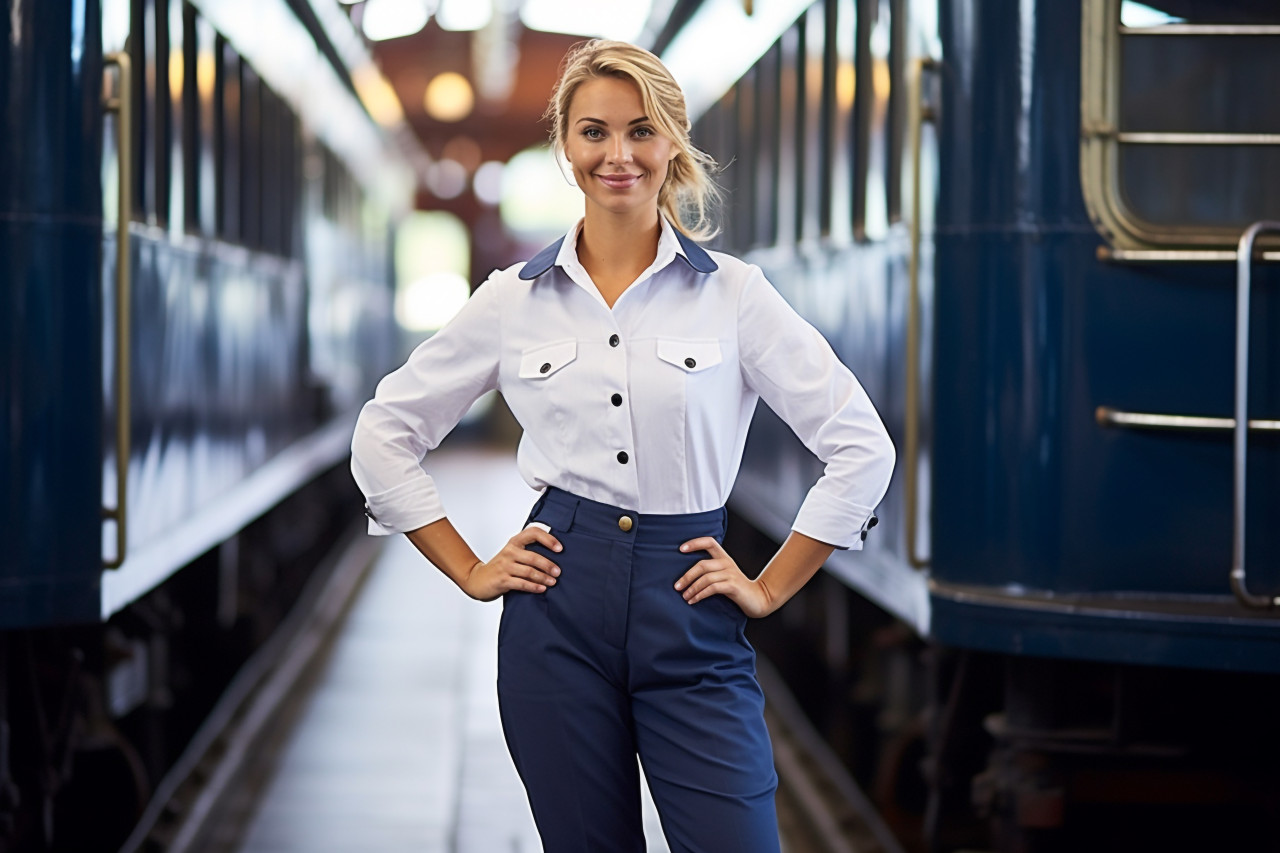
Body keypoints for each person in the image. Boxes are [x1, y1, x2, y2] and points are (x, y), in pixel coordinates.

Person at [350, 39, 895, 853]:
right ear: (565, 146)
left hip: (692, 611)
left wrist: (770, 586)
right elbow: (384, 433)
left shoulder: (734, 295)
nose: (618, 154)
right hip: (555, 616)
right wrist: (468, 568)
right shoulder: (512, 300)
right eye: (594, 132)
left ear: (672, 142)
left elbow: (861, 444)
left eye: (641, 131)